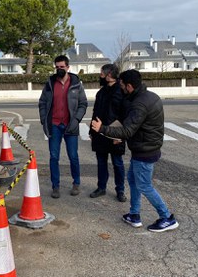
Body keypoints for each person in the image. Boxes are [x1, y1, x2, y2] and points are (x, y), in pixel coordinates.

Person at [91, 69, 179, 232]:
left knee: (144, 185)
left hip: (145, 150)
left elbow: (127, 130)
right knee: (132, 179)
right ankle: (134, 214)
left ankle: (166, 217)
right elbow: (137, 126)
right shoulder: (149, 96)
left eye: (122, 85)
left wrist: (102, 129)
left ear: (129, 86)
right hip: (145, 147)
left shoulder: (139, 104)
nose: (121, 87)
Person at [38, 55, 88, 199]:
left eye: (62, 67)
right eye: (57, 67)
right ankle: (55, 186)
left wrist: (76, 119)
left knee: (73, 156)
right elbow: (42, 103)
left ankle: (76, 183)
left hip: (70, 126)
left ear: (68, 67)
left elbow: (83, 104)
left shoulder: (76, 84)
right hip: (54, 126)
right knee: (54, 157)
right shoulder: (50, 84)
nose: (59, 69)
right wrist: (43, 119)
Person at [89, 64, 127, 202]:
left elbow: (125, 114)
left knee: (117, 162)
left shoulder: (121, 91)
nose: (100, 75)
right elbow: (95, 112)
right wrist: (91, 131)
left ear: (109, 74)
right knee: (101, 162)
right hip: (99, 133)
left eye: (101, 72)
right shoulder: (101, 92)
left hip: (116, 133)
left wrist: (121, 136)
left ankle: (120, 190)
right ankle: (101, 187)